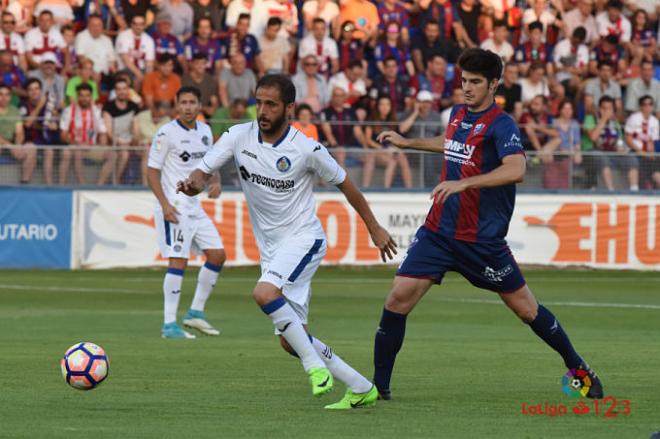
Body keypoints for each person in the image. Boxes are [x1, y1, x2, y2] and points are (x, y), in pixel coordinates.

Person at [373, 48, 604, 401]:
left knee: (526, 310)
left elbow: (517, 169)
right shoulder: (457, 113)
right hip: (438, 232)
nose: (466, 88)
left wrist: (464, 183)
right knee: (397, 299)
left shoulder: (502, 124)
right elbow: (451, 144)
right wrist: (409, 143)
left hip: (481, 240)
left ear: (494, 84)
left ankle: (579, 369)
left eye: (475, 82)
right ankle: (378, 389)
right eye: (464, 80)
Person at [177, 73, 397, 409]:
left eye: (271, 104)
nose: (262, 111)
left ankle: (316, 369)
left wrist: (374, 227)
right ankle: (360, 385)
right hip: (272, 249)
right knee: (291, 340)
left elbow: (347, 186)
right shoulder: (238, 136)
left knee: (264, 293)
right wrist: (193, 184)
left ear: (289, 108)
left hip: (304, 239)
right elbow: (202, 170)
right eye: (259, 102)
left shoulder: (307, 148)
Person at [147, 86, 226, 339]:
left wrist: (216, 182)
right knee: (178, 260)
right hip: (175, 206)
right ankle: (169, 325)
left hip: (195, 206)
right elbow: (152, 172)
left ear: (199, 105)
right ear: (176, 105)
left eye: (193, 102)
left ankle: (195, 313)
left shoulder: (205, 131)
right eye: (184, 102)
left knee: (217, 255)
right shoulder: (166, 133)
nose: (188, 107)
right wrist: (165, 205)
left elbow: (211, 163)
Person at [58, 83, 111, 185]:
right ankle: (71, 185)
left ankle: (99, 185)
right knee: (72, 152)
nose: (84, 98)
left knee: (113, 154)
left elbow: (103, 133)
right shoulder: (69, 110)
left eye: (87, 96)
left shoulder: (96, 111)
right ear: (77, 96)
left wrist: (101, 146)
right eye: (81, 95)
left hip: (91, 147)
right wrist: (77, 143)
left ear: (91, 97)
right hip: (74, 146)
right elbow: (63, 135)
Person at [0, 83, 35, 183]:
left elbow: (19, 132)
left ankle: (25, 182)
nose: (4, 98)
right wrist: (10, 146)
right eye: (1, 94)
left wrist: (18, 145)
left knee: (31, 148)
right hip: (3, 144)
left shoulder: (14, 110)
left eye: (7, 95)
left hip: (11, 143)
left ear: (10, 97)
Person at [624, 95, 659, 189]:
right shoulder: (633, 118)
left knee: (656, 169)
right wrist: (639, 150)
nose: (647, 107)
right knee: (634, 163)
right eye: (645, 104)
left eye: (650, 104)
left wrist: (651, 154)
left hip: (647, 153)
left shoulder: (655, 121)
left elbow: (652, 141)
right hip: (634, 151)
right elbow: (628, 138)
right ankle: (634, 191)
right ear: (641, 106)